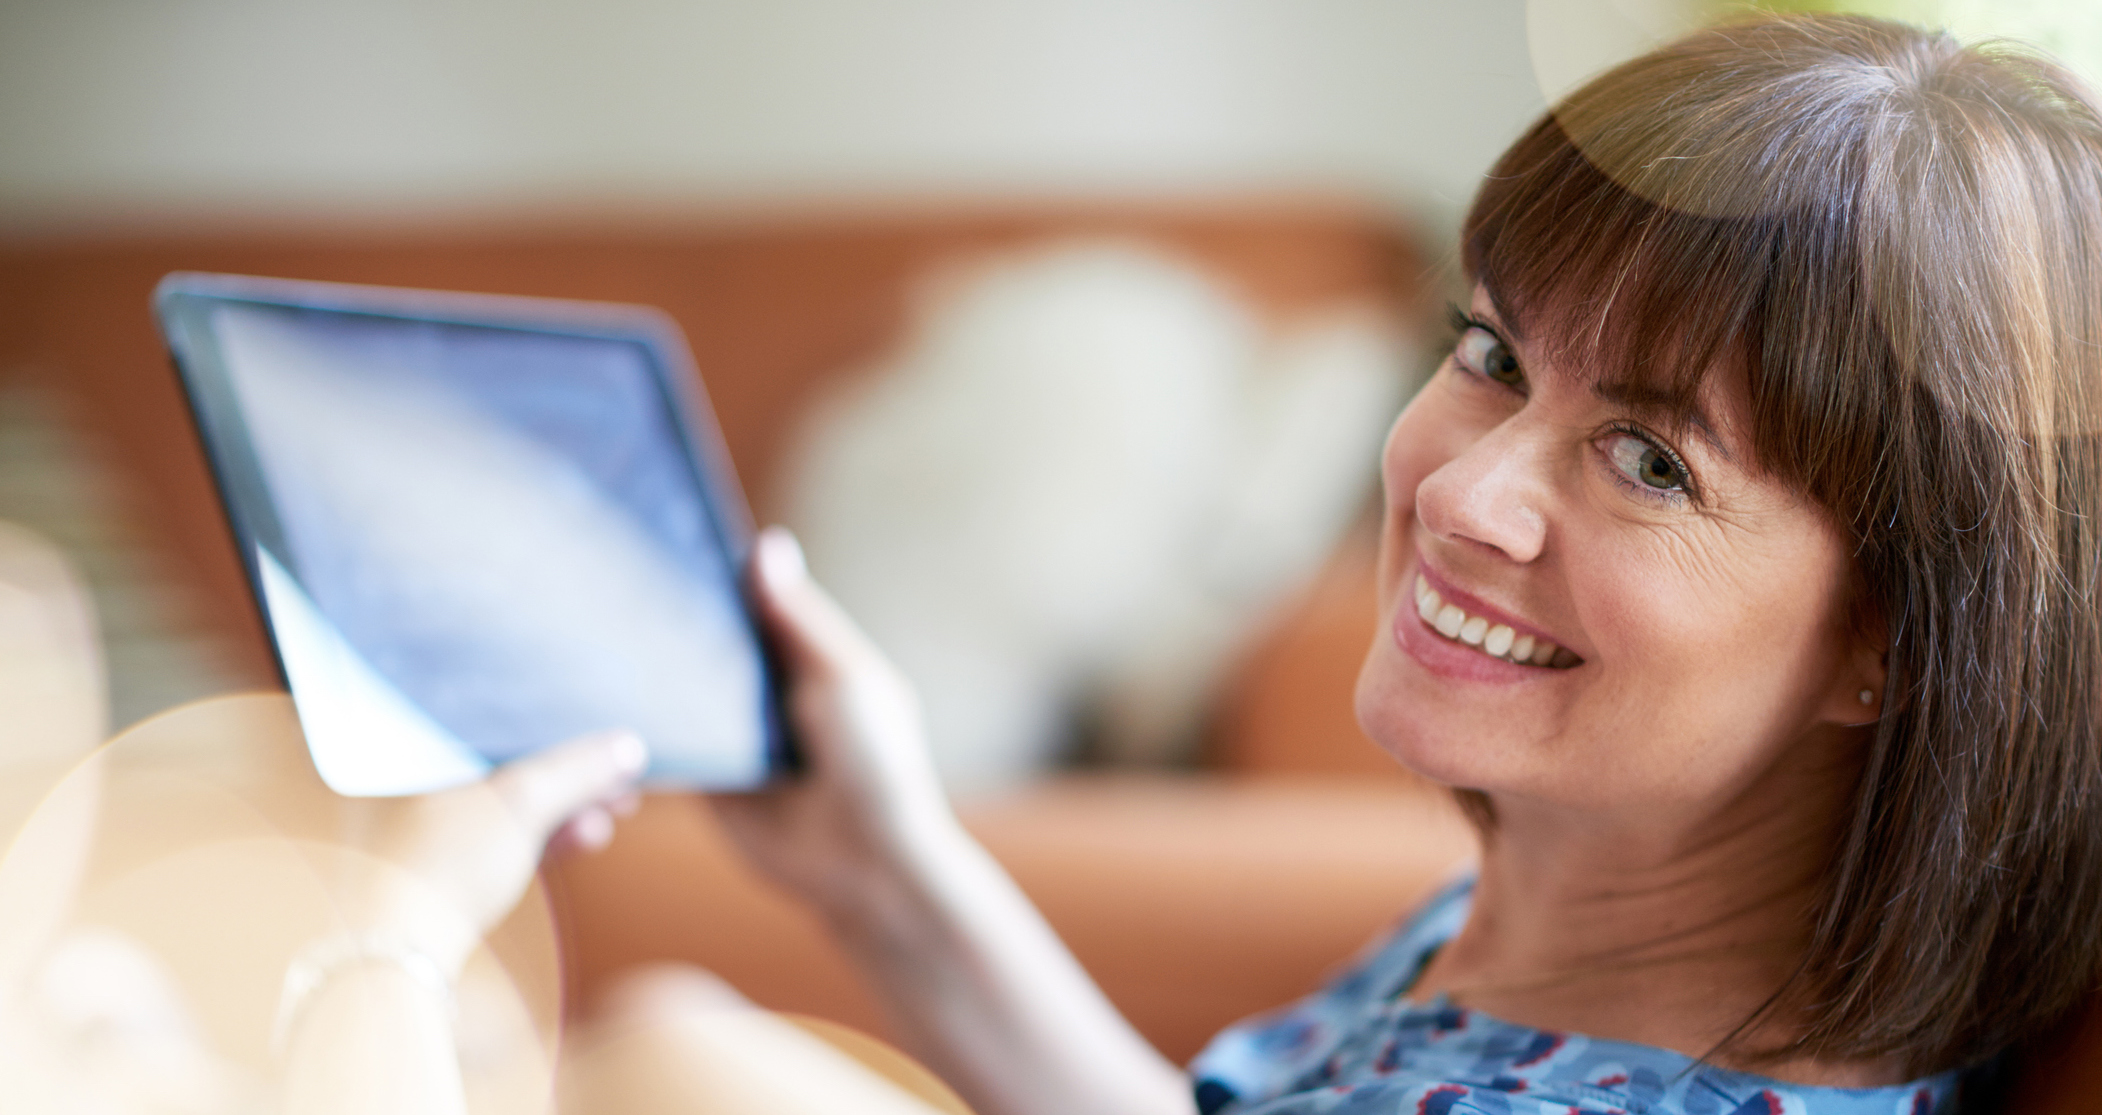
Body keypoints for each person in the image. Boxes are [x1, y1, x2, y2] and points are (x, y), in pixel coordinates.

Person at [643, 13, 2102, 1115]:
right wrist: (885, 871)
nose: (1461, 491)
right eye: (1492, 356)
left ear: (1897, 642)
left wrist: (403, 946)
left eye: (1652, 462)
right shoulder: (1584, 929)